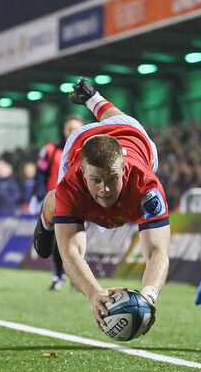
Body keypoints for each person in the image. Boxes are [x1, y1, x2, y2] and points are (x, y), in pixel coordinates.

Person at [33, 78, 169, 333]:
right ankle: (46, 213)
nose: (104, 189)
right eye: (96, 180)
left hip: (132, 134)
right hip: (80, 142)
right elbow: (71, 252)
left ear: (124, 169)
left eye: (112, 179)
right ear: (83, 173)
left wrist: (149, 297)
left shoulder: (147, 186)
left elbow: (157, 251)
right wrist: (94, 293)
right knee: (58, 202)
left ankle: (92, 97)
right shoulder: (71, 184)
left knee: (124, 121)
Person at [36, 114, 85, 291]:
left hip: (80, 201)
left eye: (76, 128)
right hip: (56, 202)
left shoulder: (87, 149)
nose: (72, 132)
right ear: (64, 130)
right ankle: (58, 276)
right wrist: (42, 197)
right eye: (69, 128)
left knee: (78, 240)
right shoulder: (50, 149)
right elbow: (40, 175)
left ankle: (76, 279)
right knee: (59, 241)